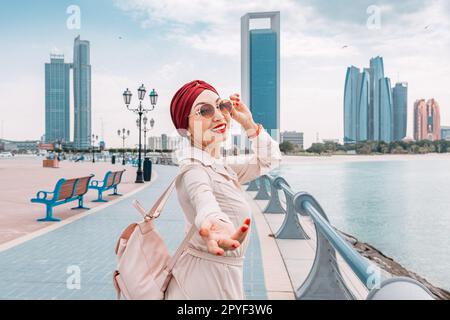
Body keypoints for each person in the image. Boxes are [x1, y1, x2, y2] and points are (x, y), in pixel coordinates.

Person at [164, 80, 281, 300]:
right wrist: (213, 224)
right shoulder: (194, 169)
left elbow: (269, 160)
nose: (219, 116)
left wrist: (248, 123)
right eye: (204, 111)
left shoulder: (220, 165)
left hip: (220, 277)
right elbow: (203, 199)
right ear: (185, 127)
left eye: (221, 106)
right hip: (205, 285)